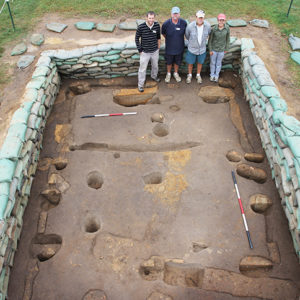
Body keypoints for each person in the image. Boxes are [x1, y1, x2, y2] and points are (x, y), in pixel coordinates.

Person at [135, 11, 161, 93]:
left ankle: (154, 77)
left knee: (155, 66)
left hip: (154, 51)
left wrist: (158, 48)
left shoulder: (157, 25)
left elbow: (158, 37)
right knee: (142, 69)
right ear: (146, 18)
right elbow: (136, 39)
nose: (151, 20)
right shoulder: (141, 27)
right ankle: (140, 85)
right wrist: (140, 50)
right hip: (145, 52)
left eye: (153, 18)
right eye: (150, 18)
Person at [162, 7, 187, 83]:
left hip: (179, 47)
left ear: (179, 14)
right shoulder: (166, 24)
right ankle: (168, 74)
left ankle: (176, 73)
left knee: (177, 62)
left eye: (176, 13)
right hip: (169, 48)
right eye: (174, 13)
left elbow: (186, 33)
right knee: (169, 62)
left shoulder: (183, 23)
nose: (175, 15)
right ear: (171, 14)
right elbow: (163, 34)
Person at [185, 10, 211, 84]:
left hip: (202, 49)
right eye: (199, 17)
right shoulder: (190, 26)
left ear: (204, 18)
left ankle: (198, 75)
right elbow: (187, 36)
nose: (200, 19)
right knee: (190, 63)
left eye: (202, 18)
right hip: (192, 49)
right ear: (196, 17)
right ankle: (189, 75)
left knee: (200, 63)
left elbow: (209, 34)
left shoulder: (208, 26)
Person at [208, 13, 230, 83]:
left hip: (221, 50)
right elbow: (210, 40)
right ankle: (212, 75)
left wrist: (226, 49)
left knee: (218, 63)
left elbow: (228, 39)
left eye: (222, 20)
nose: (221, 22)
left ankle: (216, 76)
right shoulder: (214, 28)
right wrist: (210, 49)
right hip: (214, 49)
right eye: (220, 20)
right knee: (212, 63)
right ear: (217, 20)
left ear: (225, 21)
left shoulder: (227, 28)